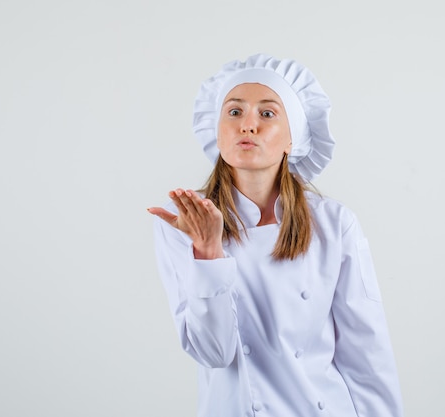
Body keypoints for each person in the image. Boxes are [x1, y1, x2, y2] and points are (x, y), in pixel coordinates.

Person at [147, 53, 404, 417]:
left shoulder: (334, 223)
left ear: (292, 138)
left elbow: (367, 355)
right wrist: (207, 252)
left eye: (267, 114)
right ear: (216, 131)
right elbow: (213, 353)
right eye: (234, 112)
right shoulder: (184, 220)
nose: (247, 125)